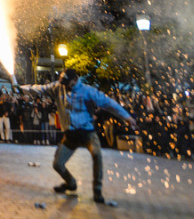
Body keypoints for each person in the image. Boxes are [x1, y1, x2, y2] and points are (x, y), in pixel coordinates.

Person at [16, 69, 136, 204]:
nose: (64, 86)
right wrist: (21, 88)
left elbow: (108, 103)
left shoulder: (88, 91)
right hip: (70, 135)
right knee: (58, 164)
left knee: (97, 155)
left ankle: (97, 191)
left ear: (75, 80)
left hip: (87, 133)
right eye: (63, 83)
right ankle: (71, 183)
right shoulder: (58, 87)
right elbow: (40, 89)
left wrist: (126, 116)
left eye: (67, 83)